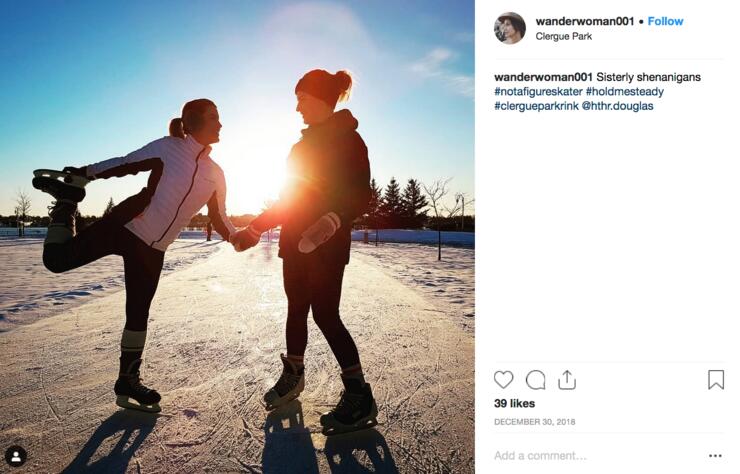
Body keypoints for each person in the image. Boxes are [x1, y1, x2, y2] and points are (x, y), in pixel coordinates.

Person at [32, 99, 239, 413]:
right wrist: (85, 174)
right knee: (56, 261)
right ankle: (65, 202)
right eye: (215, 118)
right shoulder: (170, 148)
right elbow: (126, 163)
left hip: (153, 249)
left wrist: (236, 236)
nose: (221, 124)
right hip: (125, 225)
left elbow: (220, 217)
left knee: (138, 313)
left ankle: (128, 380)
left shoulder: (216, 174)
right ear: (193, 121)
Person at [232, 69, 377, 435]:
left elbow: (362, 194)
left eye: (303, 99)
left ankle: (359, 395)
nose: (297, 107)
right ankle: (293, 374)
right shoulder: (300, 147)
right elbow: (289, 199)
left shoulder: (350, 141)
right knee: (297, 309)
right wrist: (255, 227)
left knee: (326, 314)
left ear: (323, 100)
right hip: (294, 243)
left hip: (327, 245)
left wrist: (333, 218)